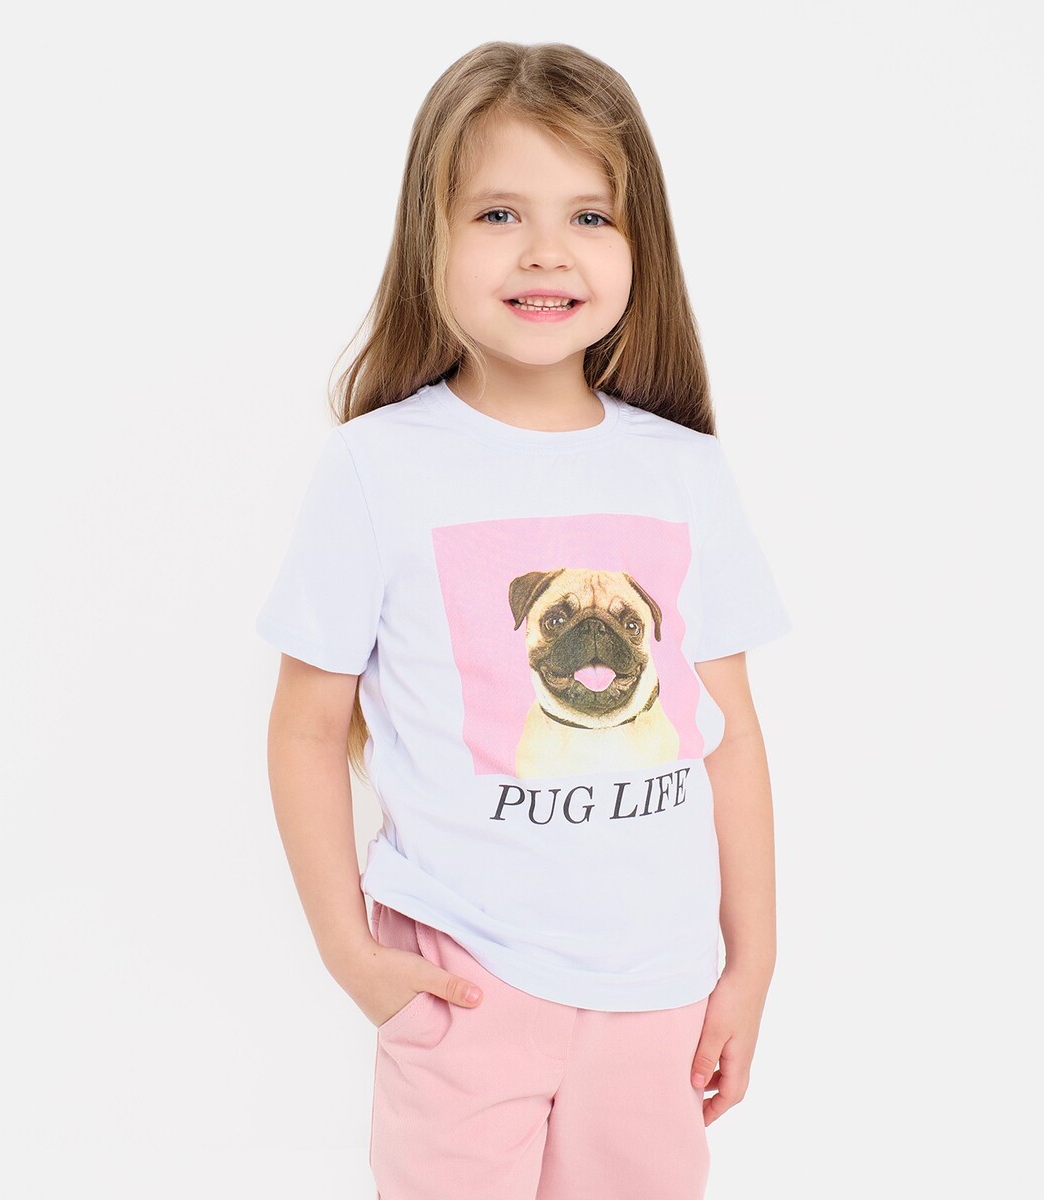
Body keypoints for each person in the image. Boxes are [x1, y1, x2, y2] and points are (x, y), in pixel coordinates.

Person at [255, 40, 793, 1200]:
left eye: (590, 215)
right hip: (465, 977)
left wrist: (751, 964)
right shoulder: (376, 468)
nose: (547, 249)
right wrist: (352, 954)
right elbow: (305, 727)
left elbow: (732, 736)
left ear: (641, 244)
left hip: (659, 987)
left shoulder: (685, 471)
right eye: (499, 212)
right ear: (430, 238)